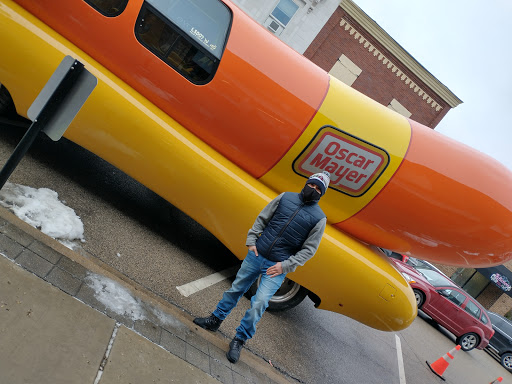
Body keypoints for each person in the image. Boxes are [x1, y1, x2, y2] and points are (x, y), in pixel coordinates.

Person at [193, 171, 331, 363]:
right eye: (312, 185)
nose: (313, 190)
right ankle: (214, 320)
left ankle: (239, 339)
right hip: (256, 255)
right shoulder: (285, 197)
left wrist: (286, 266)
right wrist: (252, 241)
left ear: (321, 194)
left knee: (259, 303)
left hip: (276, 267)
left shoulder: (319, 218)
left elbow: (309, 250)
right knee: (235, 290)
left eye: (318, 189)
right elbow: (262, 218)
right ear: (307, 183)